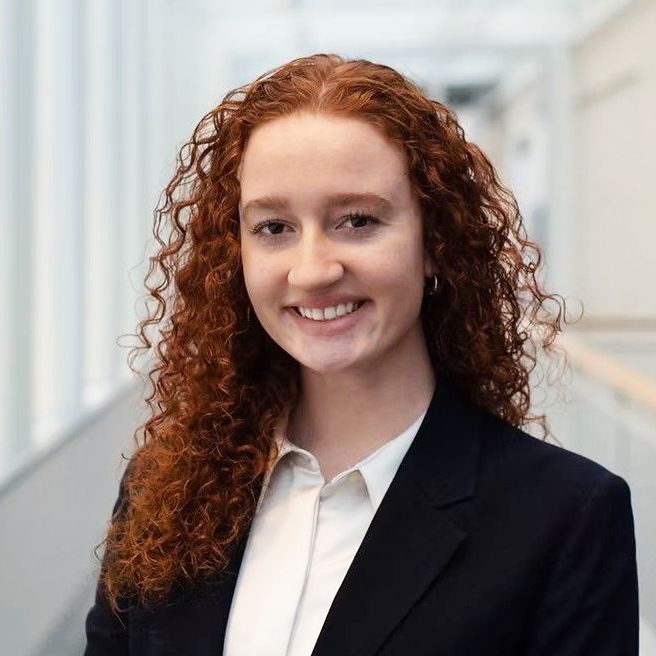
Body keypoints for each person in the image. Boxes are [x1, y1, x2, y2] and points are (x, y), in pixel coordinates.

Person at [84, 53, 639, 655]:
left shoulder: (564, 518)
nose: (313, 270)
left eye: (356, 220)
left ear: (435, 240)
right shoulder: (166, 490)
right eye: (274, 228)